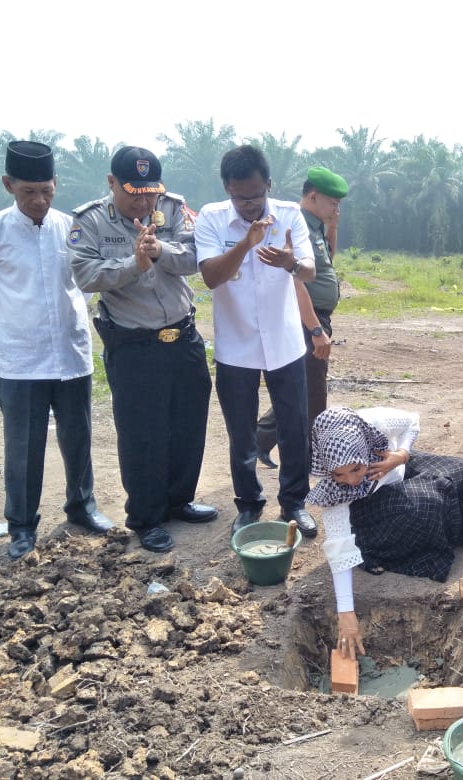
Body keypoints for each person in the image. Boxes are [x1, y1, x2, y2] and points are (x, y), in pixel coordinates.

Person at [0, 141, 114, 559]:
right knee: (24, 445)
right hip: (21, 360)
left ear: (56, 185)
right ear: (9, 185)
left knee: (78, 435)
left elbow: (86, 279)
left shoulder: (72, 227)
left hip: (70, 351)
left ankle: (82, 507)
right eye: (29, 191)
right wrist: (6, 329)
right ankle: (22, 525)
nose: (39, 200)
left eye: (46, 190)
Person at [69, 147, 216, 553]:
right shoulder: (92, 221)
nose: (144, 201)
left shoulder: (174, 208)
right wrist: (134, 264)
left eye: (150, 192)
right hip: (134, 344)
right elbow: (84, 274)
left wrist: (160, 252)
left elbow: (197, 255)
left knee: (188, 424)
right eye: (134, 192)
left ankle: (178, 499)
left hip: (183, 336)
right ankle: (147, 517)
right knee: (142, 434)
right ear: (112, 183)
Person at [195, 145, 318, 539]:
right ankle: (248, 505)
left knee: (294, 427)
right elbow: (212, 277)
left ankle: (295, 503)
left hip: (284, 343)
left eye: (255, 195)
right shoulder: (212, 219)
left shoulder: (290, 215)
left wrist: (291, 264)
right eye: (239, 197)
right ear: (227, 189)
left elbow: (310, 271)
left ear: (268, 184)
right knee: (242, 432)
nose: (248, 205)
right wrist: (245, 244)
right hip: (236, 346)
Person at [306, 406, 463, 658]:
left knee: (460, 469)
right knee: (426, 504)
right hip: (367, 512)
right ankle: (369, 550)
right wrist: (346, 613)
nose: (352, 480)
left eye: (357, 469)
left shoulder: (372, 424)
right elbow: (338, 550)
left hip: (397, 470)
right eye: (340, 474)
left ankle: (456, 535)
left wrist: (400, 455)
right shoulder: (338, 491)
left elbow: (411, 422)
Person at [256, 166, 349, 469]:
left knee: (305, 386)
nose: (337, 208)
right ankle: (310, 458)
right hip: (306, 318)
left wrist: (333, 226)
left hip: (317, 317)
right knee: (313, 394)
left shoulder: (317, 224)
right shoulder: (298, 226)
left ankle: (258, 440)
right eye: (333, 202)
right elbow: (296, 281)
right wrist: (315, 328)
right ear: (312, 196)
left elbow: (327, 262)